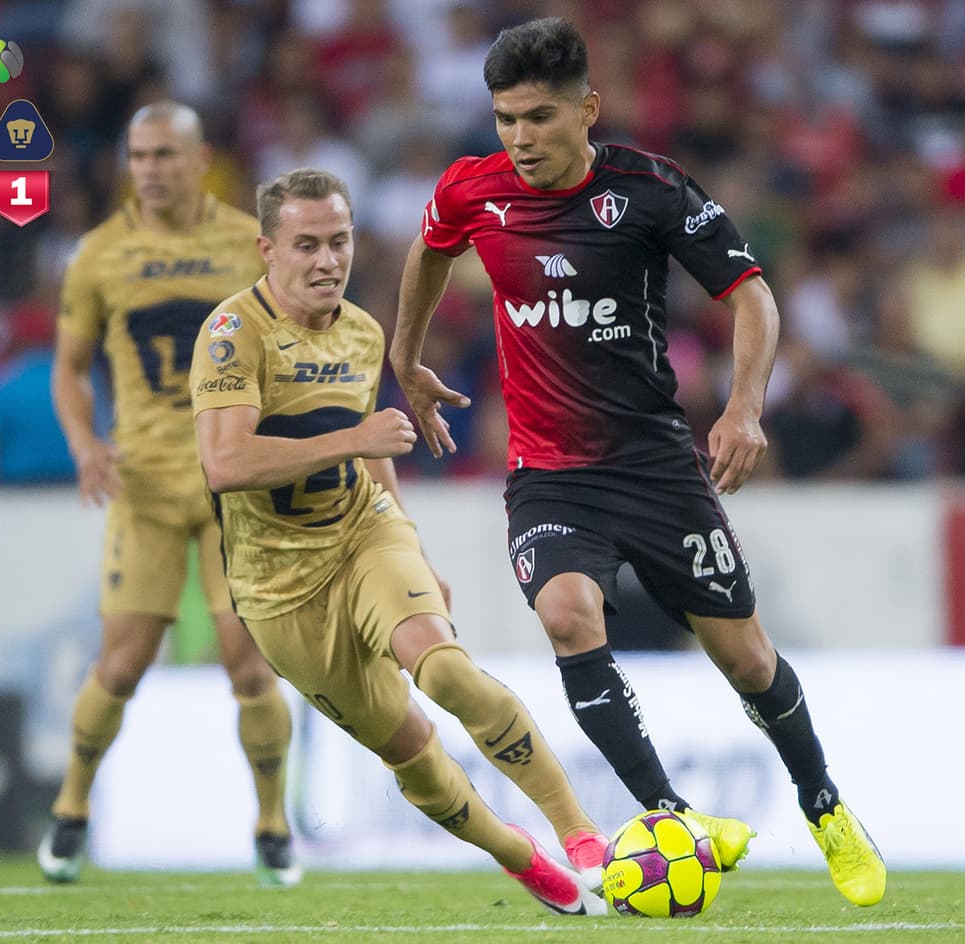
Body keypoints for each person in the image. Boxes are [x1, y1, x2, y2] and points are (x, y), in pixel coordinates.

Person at [389, 17, 886, 908]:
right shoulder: (473, 189)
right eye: (505, 119)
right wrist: (406, 355)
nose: (519, 138)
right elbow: (430, 250)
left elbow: (753, 297)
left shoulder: (648, 191)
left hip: (656, 468)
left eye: (539, 117)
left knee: (747, 660)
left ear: (587, 108)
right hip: (549, 475)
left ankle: (825, 807)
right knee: (567, 613)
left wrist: (744, 407)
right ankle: (674, 817)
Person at [189, 167, 608, 915]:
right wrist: (356, 438)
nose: (328, 260)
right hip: (277, 588)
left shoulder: (362, 330)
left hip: (363, 535)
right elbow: (224, 465)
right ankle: (519, 855)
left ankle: (580, 834)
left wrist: (411, 544)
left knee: (442, 667)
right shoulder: (232, 334)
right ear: (267, 250)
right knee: (408, 746)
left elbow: (374, 452)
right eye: (307, 245)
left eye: (340, 241)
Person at [39, 101, 299, 887]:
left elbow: (291, 349)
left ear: (200, 159)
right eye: (138, 155)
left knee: (247, 663)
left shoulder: (248, 245)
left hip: (234, 488)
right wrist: (85, 444)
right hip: (144, 486)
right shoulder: (99, 254)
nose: (148, 169)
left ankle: (273, 823)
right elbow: (69, 367)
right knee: (120, 665)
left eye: (162, 154)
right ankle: (71, 811)